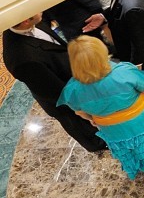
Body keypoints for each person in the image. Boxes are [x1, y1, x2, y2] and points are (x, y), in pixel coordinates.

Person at [59, 36, 144, 180]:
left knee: (136, 148)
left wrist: (92, 118)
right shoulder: (123, 72)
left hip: (114, 130)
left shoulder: (72, 90)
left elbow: (79, 112)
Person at [2, 15, 107, 153]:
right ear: (25, 21)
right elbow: (55, 92)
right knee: (76, 121)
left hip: (65, 75)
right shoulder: (21, 59)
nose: (41, 10)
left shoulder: (32, 19)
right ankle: (96, 144)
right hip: (58, 95)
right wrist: (80, 103)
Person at [42, 0, 106, 41]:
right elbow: (45, 18)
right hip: (70, 31)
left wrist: (101, 17)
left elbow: (91, 1)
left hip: (88, 24)